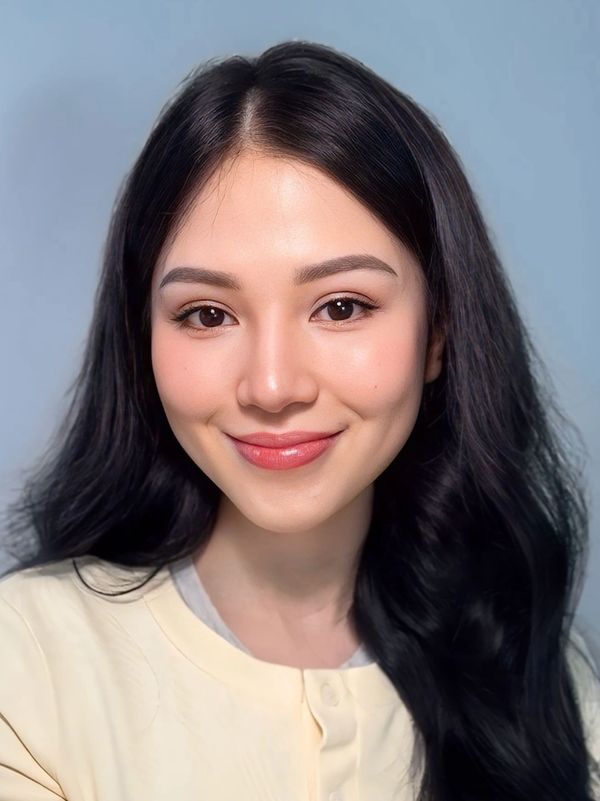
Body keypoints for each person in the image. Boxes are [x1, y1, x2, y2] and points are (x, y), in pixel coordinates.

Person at [0, 39, 598, 801]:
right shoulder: (28, 664)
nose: (273, 385)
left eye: (342, 306)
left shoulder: (550, 684)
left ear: (438, 335)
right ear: (142, 335)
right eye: (207, 313)